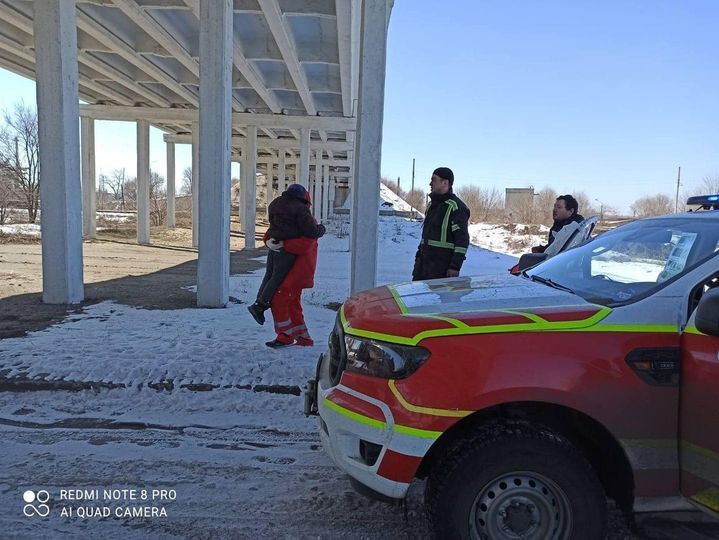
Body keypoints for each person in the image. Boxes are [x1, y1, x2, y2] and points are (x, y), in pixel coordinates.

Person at [246, 184, 325, 347]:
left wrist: (277, 242)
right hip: (293, 269)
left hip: (296, 272)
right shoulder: (305, 219)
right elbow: (276, 232)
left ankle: (286, 335)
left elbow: (304, 245)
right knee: (291, 303)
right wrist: (272, 241)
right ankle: (302, 337)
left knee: (279, 300)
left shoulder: (282, 208)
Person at [412, 167, 470, 281]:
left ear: (445, 182)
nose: (430, 183)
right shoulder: (432, 205)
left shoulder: (456, 207)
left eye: (434, 180)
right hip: (422, 268)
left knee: (436, 299)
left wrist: (454, 267)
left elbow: (462, 240)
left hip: (441, 270)